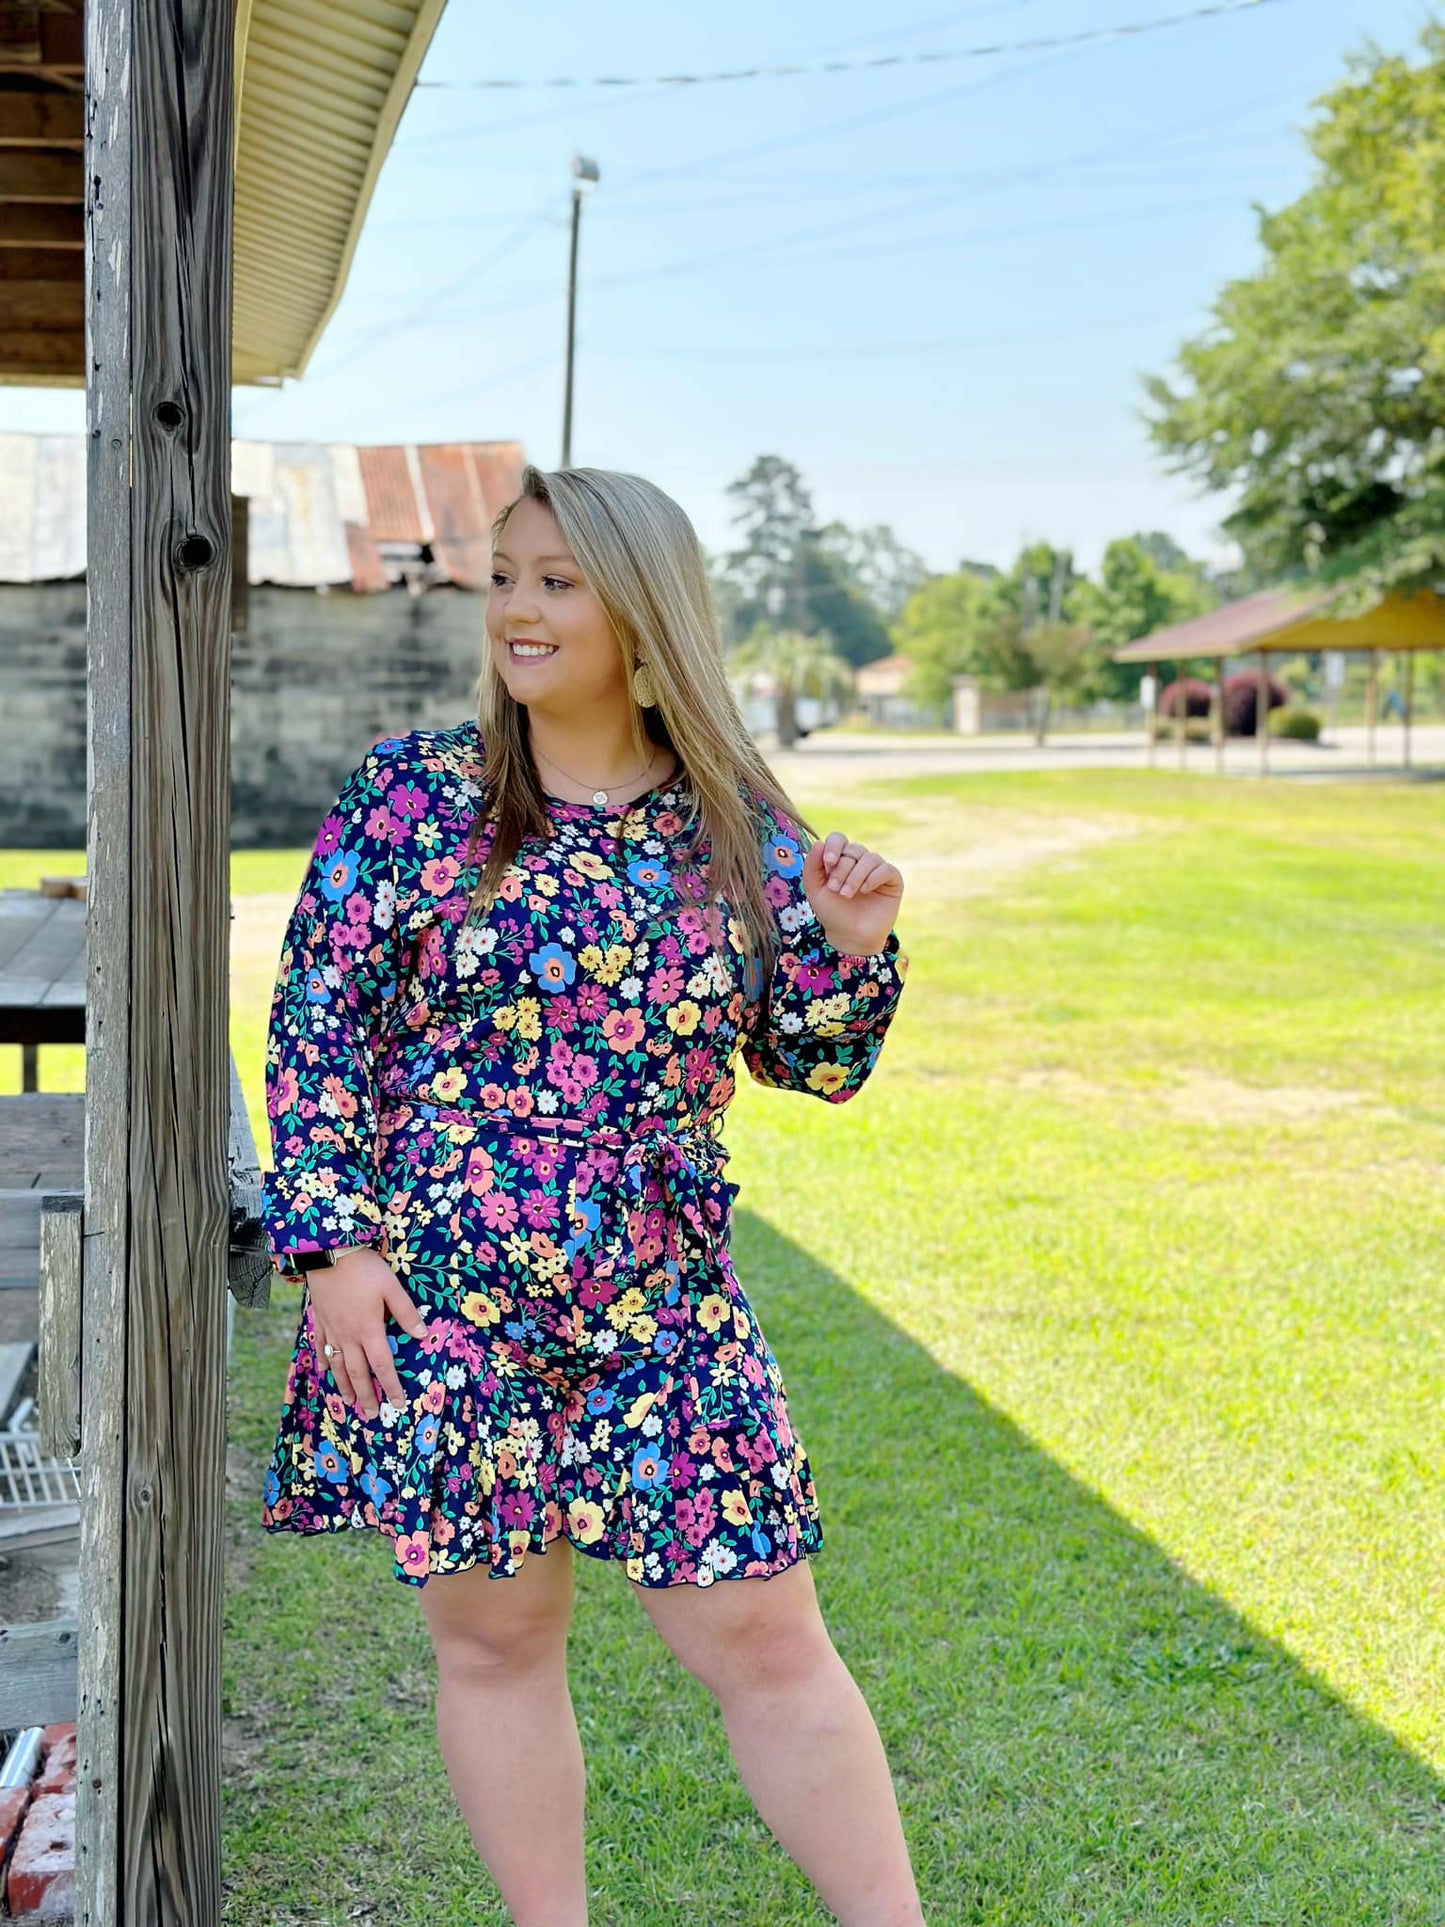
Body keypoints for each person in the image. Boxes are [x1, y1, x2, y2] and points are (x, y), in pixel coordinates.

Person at [258, 464, 919, 1925]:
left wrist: (849, 950)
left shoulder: (733, 822)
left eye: (555, 580)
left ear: (641, 608)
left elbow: (806, 1063)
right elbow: (317, 1032)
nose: (516, 607)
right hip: (447, 1294)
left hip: (662, 1299)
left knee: (762, 1627)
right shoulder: (413, 799)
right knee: (496, 1641)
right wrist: (333, 1244)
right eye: (504, 575)